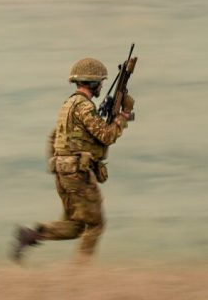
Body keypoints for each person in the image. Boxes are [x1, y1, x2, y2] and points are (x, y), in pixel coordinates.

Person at [12, 57, 134, 263]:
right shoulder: (84, 107)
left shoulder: (67, 105)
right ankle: (80, 272)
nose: (101, 86)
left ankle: (32, 235)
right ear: (92, 83)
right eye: (100, 82)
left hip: (64, 172)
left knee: (76, 226)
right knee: (96, 225)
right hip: (77, 173)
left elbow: (53, 137)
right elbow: (107, 136)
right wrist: (124, 116)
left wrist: (57, 164)